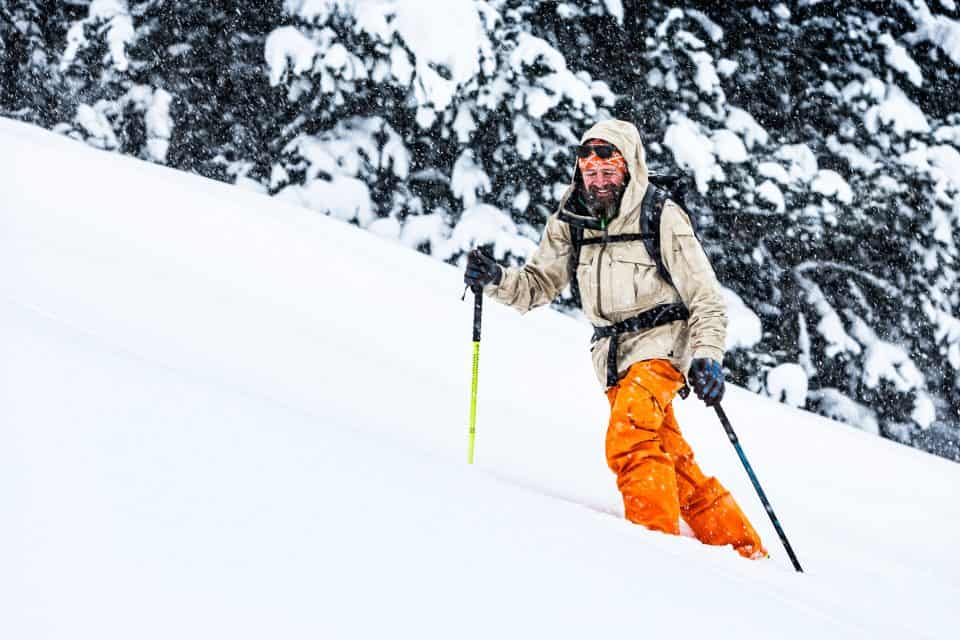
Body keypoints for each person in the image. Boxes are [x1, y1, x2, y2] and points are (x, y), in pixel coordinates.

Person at [463, 119, 766, 559]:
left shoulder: (661, 215)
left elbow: (707, 298)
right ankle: (743, 551)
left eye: (609, 173)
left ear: (629, 170)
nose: (599, 182)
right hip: (612, 359)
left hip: (663, 346)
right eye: (591, 174)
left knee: (630, 436)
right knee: (672, 463)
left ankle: (654, 552)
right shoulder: (572, 217)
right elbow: (537, 285)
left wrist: (707, 357)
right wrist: (495, 279)